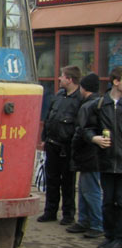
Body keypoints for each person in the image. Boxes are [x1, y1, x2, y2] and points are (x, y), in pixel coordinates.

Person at [38, 65, 82, 224]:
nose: (59, 79)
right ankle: (50, 212)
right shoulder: (59, 95)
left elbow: (79, 125)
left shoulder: (79, 100)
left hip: (67, 147)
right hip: (52, 144)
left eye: (62, 76)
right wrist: (44, 138)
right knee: (52, 181)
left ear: (70, 79)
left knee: (68, 183)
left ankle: (68, 215)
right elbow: (50, 117)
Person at [88, 66, 122, 248]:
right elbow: (86, 128)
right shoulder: (101, 105)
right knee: (108, 201)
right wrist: (94, 138)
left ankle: (119, 238)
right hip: (107, 161)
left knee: (120, 201)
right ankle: (110, 236)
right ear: (116, 82)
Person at [66, 73, 103, 238]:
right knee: (83, 189)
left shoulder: (88, 106)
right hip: (88, 154)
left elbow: (82, 130)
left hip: (90, 155)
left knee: (90, 190)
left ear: (83, 87)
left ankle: (97, 224)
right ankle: (84, 220)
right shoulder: (97, 103)